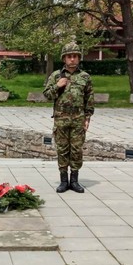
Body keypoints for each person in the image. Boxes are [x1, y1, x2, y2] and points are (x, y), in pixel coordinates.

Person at [43, 41, 94, 193]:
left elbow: (89, 98)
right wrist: (57, 85)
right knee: (62, 149)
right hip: (61, 119)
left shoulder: (85, 77)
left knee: (77, 150)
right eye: (69, 56)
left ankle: (75, 180)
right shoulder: (56, 76)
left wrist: (87, 118)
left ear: (79, 58)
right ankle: (64, 181)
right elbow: (46, 95)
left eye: (75, 56)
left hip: (78, 119)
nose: (72, 59)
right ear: (64, 58)